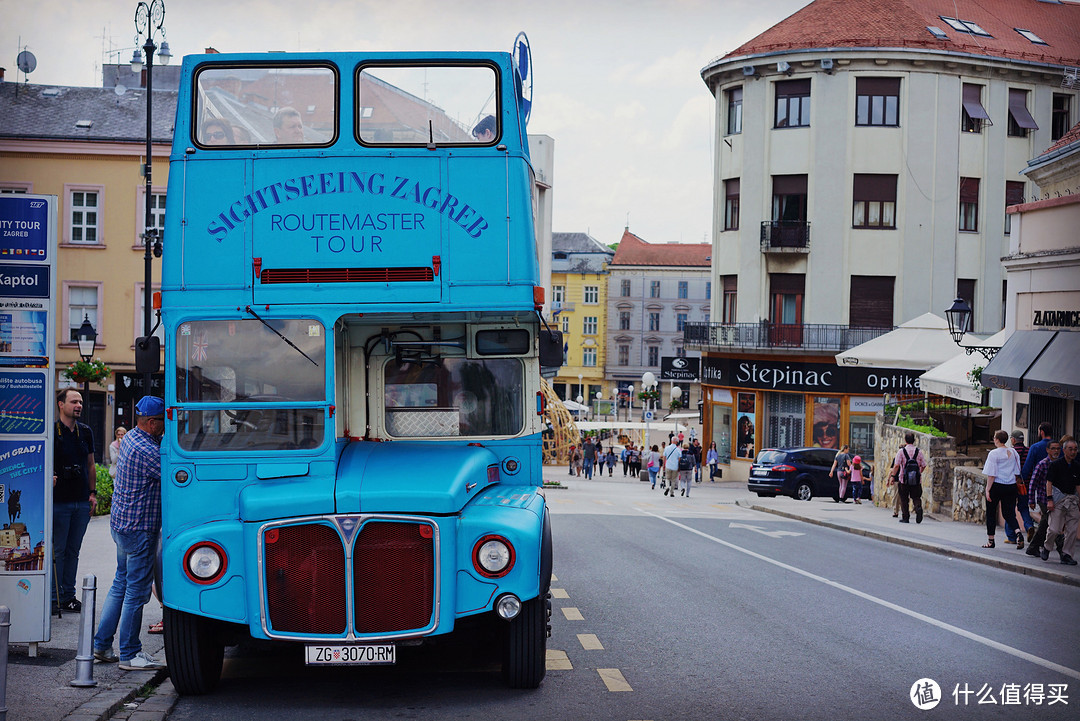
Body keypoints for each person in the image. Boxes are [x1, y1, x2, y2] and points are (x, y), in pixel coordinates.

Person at [93, 396, 167, 670]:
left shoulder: (133, 439)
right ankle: (130, 653)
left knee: (120, 585)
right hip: (139, 527)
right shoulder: (148, 450)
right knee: (136, 591)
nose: (166, 426)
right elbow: (175, 476)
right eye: (163, 421)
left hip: (123, 524)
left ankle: (101, 645)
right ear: (151, 423)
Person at [53, 389, 97, 613]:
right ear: (61, 404)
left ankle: (68, 596)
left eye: (80, 401)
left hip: (81, 500)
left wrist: (93, 493)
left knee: (73, 551)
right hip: (58, 501)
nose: (79, 405)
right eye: (73, 401)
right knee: (57, 551)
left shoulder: (86, 432)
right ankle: (54, 598)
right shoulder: (52, 431)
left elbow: (90, 464)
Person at [980, 429, 1023, 549]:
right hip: (1011, 486)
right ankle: (1018, 532)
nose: (993, 439)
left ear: (997, 440)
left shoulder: (994, 453)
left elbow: (991, 474)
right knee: (1009, 513)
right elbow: (1017, 471)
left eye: (994, 437)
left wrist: (988, 489)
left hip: (997, 485)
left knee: (991, 513)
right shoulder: (1013, 452)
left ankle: (991, 541)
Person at [1040, 438, 1079, 565]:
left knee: (1072, 529)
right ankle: (1047, 547)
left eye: (1075, 449)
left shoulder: (1077, 466)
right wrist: (1049, 499)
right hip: (1058, 500)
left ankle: (1066, 554)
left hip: (1072, 500)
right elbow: (1049, 483)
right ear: (1064, 450)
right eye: (1070, 449)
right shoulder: (1055, 465)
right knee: (1054, 529)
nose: (1073, 452)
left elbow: (1078, 485)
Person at [1025, 437, 1065, 558]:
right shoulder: (1042, 464)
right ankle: (1061, 550)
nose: (1056, 451)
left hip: (1058, 499)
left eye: (1058, 449)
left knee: (1046, 523)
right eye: (1053, 449)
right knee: (1050, 522)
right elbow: (1033, 482)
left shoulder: (1060, 464)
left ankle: (1033, 547)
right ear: (1047, 450)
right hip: (1043, 498)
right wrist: (1031, 500)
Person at [890, 432, 926, 524]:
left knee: (904, 498)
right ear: (914, 441)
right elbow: (924, 465)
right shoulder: (919, 452)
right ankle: (918, 507)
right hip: (916, 480)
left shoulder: (901, 451)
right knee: (916, 496)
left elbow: (896, 465)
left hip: (903, 479)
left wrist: (893, 476)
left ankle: (906, 517)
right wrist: (918, 472)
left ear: (905, 440)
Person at [1008, 430, 1035, 544]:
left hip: (1012, 484)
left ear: (1013, 439)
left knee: (1009, 509)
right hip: (1026, 485)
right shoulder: (1029, 450)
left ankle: (1012, 537)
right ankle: (1029, 526)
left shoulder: (1011, 452)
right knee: (1024, 508)